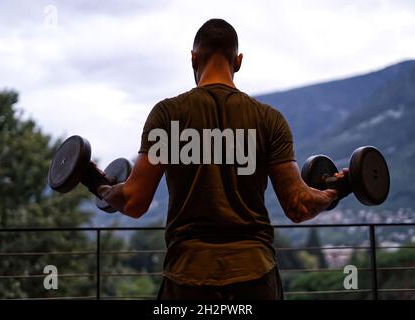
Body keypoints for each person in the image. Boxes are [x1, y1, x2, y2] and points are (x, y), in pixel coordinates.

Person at [98, 18, 338, 300]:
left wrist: (98, 186)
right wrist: (333, 193)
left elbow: (133, 201)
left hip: (187, 275)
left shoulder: (167, 115)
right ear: (238, 61)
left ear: (193, 58)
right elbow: (299, 206)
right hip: (254, 275)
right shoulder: (269, 119)